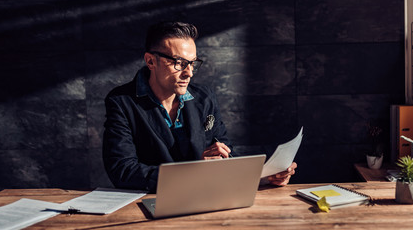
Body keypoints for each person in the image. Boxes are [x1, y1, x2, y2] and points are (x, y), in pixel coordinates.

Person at [102, 21, 297, 192]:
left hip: (205, 197)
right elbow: (123, 170)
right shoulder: (121, 101)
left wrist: (264, 175)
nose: (189, 73)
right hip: (152, 203)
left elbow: (224, 149)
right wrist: (193, 173)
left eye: (193, 63)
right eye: (179, 63)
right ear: (151, 61)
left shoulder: (204, 97)